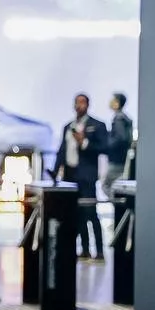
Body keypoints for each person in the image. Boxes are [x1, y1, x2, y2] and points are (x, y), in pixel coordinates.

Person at [56, 93, 108, 262]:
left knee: (90, 212)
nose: (79, 106)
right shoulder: (68, 127)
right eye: (77, 103)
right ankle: (84, 249)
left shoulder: (97, 125)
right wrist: (57, 170)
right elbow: (62, 150)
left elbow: (104, 147)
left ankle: (99, 250)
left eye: (82, 102)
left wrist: (84, 142)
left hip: (87, 175)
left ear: (88, 105)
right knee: (77, 214)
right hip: (71, 176)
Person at [103, 92, 134, 200]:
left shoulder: (119, 118)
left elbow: (121, 138)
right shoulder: (125, 118)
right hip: (122, 159)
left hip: (117, 160)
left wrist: (107, 145)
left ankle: (119, 206)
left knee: (107, 185)